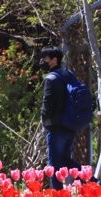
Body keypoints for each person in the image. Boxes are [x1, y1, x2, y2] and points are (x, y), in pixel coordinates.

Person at [39, 46, 82, 189]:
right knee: (64, 159)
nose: (42, 61)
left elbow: (47, 104)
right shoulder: (69, 75)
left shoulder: (51, 79)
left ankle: (57, 193)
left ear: (54, 60)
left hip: (56, 126)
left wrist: (45, 122)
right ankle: (93, 181)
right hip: (70, 124)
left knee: (54, 164)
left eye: (45, 58)